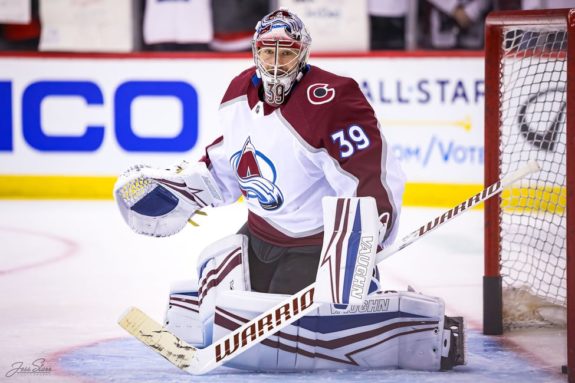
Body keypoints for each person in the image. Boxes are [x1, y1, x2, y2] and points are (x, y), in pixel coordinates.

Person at [114, 8, 464, 373]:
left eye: (287, 51)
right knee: (216, 303)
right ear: (255, 52)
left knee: (274, 340)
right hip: (259, 236)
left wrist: (362, 244)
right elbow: (228, 162)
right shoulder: (238, 93)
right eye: (268, 51)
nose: (277, 62)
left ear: (303, 53)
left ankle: (410, 326)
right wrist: (185, 189)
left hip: (312, 245)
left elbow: (369, 176)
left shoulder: (332, 100)